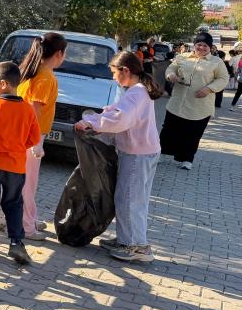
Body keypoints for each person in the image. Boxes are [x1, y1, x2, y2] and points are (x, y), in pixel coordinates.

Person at [74, 51, 163, 263]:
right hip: (142, 151)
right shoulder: (137, 90)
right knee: (132, 198)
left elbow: (119, 119)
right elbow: (115, 111)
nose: (113, 77)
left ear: (126, 71)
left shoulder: (136, 93)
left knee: (128, 199)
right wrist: (95, 119)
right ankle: (127, 239)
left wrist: (92, 123)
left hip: (137, 154)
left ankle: (136, 247)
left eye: (114, 73)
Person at [0, 61, 42, 265]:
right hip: (16, 166)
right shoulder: (28, 110)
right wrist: (17, 146)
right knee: (13, 204)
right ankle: (16, 243)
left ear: (2, 84)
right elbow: (33, 138)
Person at [17, 32, 67, 240]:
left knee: (27, 181)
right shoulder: (46, 77)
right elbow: (34, 110)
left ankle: (29, 218)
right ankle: (27, 227)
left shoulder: (32, 71)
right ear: (59, 54)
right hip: (31, 135)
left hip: (22, 132)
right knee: (28, 183)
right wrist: (36, 142)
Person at [160, 32, 230, 170]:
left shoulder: (217, 62)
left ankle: (187, 159)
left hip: (200, 106)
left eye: (205, 45)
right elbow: (171, 67)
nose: (201, 48)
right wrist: (171, 75)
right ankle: (162, 153)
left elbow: (223, 79)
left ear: (210, 47)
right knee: (169, 130)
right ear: (194, 45)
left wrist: (209, 89)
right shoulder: (182, 56)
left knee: (193, 133)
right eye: (199, 44)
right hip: (178, 102)